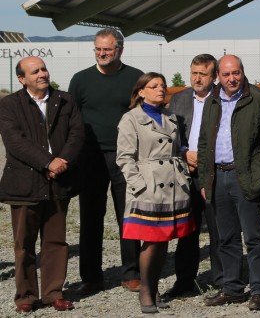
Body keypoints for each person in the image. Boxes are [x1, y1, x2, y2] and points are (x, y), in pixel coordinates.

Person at [0, 57, 83, 313]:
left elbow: (77, 133)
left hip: (59, 182)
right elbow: (15, 142)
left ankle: (53, 293)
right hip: (25, 182)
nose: (42, 74)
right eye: (35, 71)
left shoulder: (65, 100)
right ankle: (26, 296)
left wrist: (62, 161)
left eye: (44, 69)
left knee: (56, 242)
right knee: (24, 243)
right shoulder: (10, 105)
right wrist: (48, 162)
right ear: (22, 79)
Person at [69, 27, 144, 295]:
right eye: (98, 49)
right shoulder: (80, 80)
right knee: (91, 217)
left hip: (125, 156)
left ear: (119, 50)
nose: (102, 53)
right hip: (89, 157)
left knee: (130, 215)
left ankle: (132, 273)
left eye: (107, 49)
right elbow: (72, 120)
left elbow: (142, 117)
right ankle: (91, 277)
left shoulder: (135, 78)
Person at [196, 55, 260, 311]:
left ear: (242, 72)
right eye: (227, 74)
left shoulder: (259, 99)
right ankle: (232, 289)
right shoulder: (213, 101)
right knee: (226, 238)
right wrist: (205, 178)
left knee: (253, 237)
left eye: (236, 73)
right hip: (218, 177)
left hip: (245, 176)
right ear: (218, 75)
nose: (232, 79)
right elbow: (204, 142)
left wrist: (257, 175)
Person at [116, 73, 197, 313]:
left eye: (162, 85)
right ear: (141, 92)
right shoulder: (131, 118)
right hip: (149, 187)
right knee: (151, 241)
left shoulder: (170, 117)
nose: (161, 89)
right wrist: (139, 185)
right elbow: (124, 157)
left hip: (173, 185)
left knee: (163, 242)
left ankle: (153, 287)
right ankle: (145, 290)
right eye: (154, 86)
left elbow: (177, 147)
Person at [164, 54, 221, 299]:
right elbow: (169, 135)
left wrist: (206, 157)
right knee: (187, 230)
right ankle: (184, 281)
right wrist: (185, 153)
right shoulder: (179, 99)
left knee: (219, 229)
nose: (197, 78)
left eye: (203, 74)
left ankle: (222, 280)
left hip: (214, 171)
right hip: (186, 172)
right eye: (194, 73)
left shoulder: (222, 98)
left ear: (214, 76)